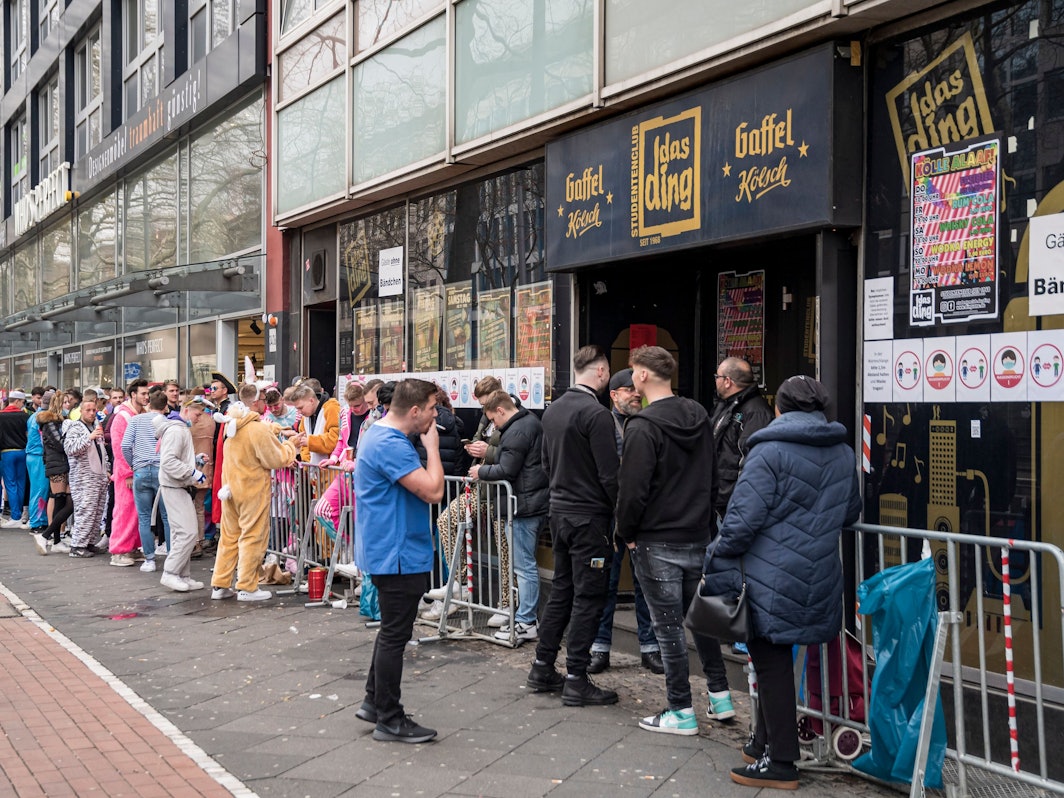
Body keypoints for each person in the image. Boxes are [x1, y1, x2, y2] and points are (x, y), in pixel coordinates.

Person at [704, 375, 861, 790]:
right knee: (776, 661)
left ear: (779, 409)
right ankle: (762, 741)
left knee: (769, 661)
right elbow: (849, 512)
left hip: (770, 574)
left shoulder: (769, 451)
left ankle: (782, 760)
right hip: (820, 572)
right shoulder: (842, 452)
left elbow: (741, 521)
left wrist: (715, 555)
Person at [614, 345, 725, 736]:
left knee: (668, 628)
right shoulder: (697, 414)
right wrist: (706, 521)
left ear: (642, 375)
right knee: (700, 618)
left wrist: (625, 533)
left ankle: (680, 709)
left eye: (632, 373)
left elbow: (633, 490)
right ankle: (721, 694)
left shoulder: (642, 426)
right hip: (696, 533)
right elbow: (712, 475)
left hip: (657, 538)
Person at [526, 345, 619, 707]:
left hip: (560, 512)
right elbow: (610, 475)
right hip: (589, 517)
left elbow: (547, 464)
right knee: (589, 596)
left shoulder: (553, 410)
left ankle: (542, 664)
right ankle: (578, 676)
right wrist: (623, 517)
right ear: (600, 372)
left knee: (563, 590)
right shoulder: (595, 414)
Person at [354, 378, 444, 743]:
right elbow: (434, 490)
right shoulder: (392, 443)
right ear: (415, 411)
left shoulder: (376, 435)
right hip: (398, 552)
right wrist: (433, 448)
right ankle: (390, 718)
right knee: (395, 635)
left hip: (387, 548)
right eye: (433, 409)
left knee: (391, 630)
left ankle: (375, 702)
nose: (435, 416)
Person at [588, 368, 663, 676]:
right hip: (609, 515)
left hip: (645, 515)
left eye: (637, 389)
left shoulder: (650, 423)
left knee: (647, 585)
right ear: (614, 394)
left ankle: (650, 648)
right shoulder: (602, 424)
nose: (635, 393)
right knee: (605, 584)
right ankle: (600, 648)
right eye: (628, 389)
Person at [469, 390, 548, 643]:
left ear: (501, 411)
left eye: (493, 419)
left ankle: (526, 620)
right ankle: (526, 618)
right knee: (523, 565)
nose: (494, 425)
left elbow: (507, 469)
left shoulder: (517, 430)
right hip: (525, 502)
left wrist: (481, 471)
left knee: (523, 566)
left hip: (522, 505)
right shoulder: (526, 424)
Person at [210, 382, 298, 602]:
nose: (266, 405)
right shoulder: (255, 428)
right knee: (252, 537)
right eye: (263, 400)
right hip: (251, 490)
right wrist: (291, 445)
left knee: (229, 538)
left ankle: (220, 584)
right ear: (257, 402)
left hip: (230, 489)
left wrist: (277, 429)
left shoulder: (234, 422)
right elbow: (276, 459)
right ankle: (247, 586)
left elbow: (262, 429)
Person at [154, 395, 213, 592]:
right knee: (187, 532)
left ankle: (181, 574)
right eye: (197, 413)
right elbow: (168, 462)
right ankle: (171, 573)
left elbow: (173, 459)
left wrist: (194, 462)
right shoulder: (176, 431)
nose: (198, 418)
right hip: (174, 486)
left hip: (176, 485)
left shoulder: (178, 429)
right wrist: (193, 470)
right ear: (186, 410)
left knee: (185, 532)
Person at [711, 357, 774, 521]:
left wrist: (737, 502)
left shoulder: (756, 412)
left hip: (734, 507)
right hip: (719, 501)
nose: (715, 381)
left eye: (717, 377)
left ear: (727, 381)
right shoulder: (726, 405)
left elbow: (752, 461)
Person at [122, 389, 172, 573]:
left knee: (144, 517)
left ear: (148, 403)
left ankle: (149, 559)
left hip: (141, 470)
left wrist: (133, 464)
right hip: (162, 471)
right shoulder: (169, 423)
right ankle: (170, 557)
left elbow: (125, 445)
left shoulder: (136, 420)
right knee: (167, 516)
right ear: (166, 406)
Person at [62, 393, 110, 558]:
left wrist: (107, 469)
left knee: (97, 511)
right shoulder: (75, 428)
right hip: (84, 478)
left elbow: (102, 451)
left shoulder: (96, 426)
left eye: (93, 410)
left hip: (99, 475)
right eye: (88, 410)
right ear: (81, 411)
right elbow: (70, 449)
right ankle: (77, 545)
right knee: (86, 510)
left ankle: (89, 542)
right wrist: (88, 438)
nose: (91, 413)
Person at [109, 380, 149, 567]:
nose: (146, 397)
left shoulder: (140, 414)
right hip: (128, 472)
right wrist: (127, 473)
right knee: (125, 510)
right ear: (133, 395)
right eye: (143, 393)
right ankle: (118, 550)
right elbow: (119, 447)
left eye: (147, 393)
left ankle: (132, 546)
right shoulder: (122, 417)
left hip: (139, 469)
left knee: (137, 511)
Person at [33, 393, 72, 555]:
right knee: (61, 501)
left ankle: (53, 538)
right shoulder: (50, 423)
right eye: (65, 402)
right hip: (57, 465)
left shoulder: (55, 422)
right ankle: (48, 536)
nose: (68, 404)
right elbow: (61, 444)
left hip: (60, 464)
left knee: (65, 502)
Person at [291, 380, 340, 465]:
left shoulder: (332, 409)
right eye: (297, 409)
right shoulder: (305, 417)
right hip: (315, 473)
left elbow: (335, 440)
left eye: (301, 408)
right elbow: (304, 446)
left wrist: (310, 442)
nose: (299, 412)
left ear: (311, 401)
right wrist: (303, 461)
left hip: (331, 472)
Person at [0, 390, 30, 527]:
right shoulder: (24, 416)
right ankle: (19, 515)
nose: (23, 405)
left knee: (10, 484)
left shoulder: (1, 416)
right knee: (21, 483)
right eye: (22, 402)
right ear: (17, 401)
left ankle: (15, 516)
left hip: (6, 452)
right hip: (23, 452)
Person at [25, 388, 49, 535]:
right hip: (38, 455)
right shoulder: (41, 417)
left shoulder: (35, 415)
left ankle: (40, 519)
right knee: (40, 489)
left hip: (34, 455)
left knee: (40, 489)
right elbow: (43, 439)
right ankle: (36, 522)